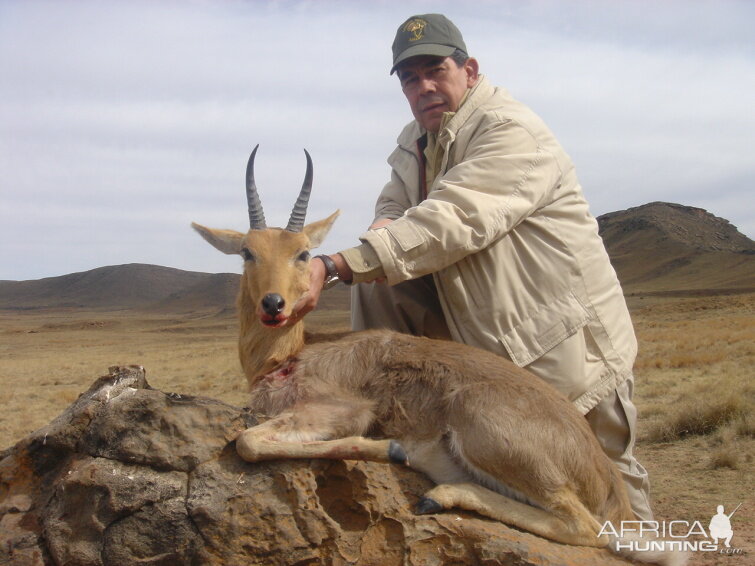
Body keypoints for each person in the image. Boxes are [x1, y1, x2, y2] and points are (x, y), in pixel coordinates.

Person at [292, 13, 653, 521]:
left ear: (470, 69)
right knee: (376, 284)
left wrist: (338, 263)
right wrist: (380, 232)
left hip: (563, 348)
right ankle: (393, 413)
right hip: (489, 352)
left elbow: (455, 219)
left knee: (608, 483)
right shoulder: (416, 141)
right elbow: (395, 205)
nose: (425, 87)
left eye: (435, 70)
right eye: (410, 78)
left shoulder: (511, 130)